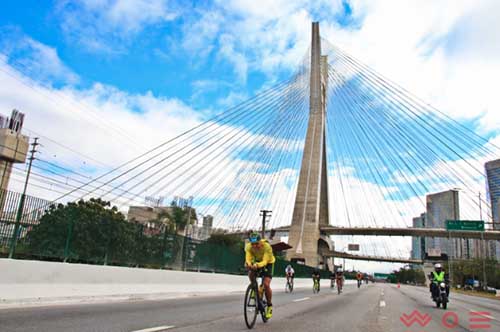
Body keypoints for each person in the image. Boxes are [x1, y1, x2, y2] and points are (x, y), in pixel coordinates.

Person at [245, 232, 276, 319]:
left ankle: (269, 306)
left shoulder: (267, 246)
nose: (254, 246)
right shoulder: (248, 247)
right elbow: (248, 258)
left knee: (266, 284)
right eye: (253, 244)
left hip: (268, 263)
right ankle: (254, 288)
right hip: (258, 261)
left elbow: (265, 261)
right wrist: (248, 264)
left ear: (260, 242)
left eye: (256, 244)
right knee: (250, 273)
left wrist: (257, 265)